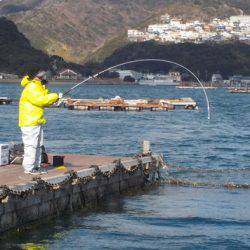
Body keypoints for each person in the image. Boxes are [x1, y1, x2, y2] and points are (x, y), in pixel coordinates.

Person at [19, 67, 63, 175]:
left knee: (38, 145)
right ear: (36, 76)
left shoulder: (37, 86)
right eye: (42, 74)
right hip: (29, 121)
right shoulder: (32, 86)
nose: (44, 76)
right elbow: (41, 100)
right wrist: (55, 95)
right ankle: (29, 168)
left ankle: (36, 166)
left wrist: (52, 97)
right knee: (31, 145)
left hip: (36, 120)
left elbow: (43, 100)